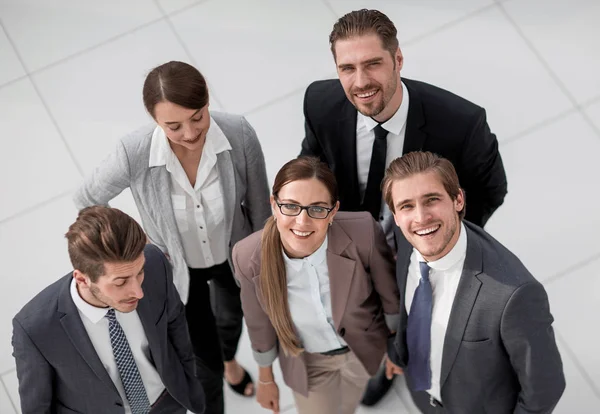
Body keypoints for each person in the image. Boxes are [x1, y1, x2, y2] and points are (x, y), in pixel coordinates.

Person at [300, 8, 508, 404]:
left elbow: (491, 188)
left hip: (420, 249)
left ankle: (406, 362)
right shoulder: (319, 102)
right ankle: (376, 360)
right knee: (357, 312)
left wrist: (441, 241)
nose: (360, 82)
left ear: (397, 60)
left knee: (416, 323)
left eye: (373, 64)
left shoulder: (461, 122)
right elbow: (313, 163)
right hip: (351, 241)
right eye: (347, 68)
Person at [74, 61, 271, 413]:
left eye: (198, 117)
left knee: (231, 319)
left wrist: (264, 262)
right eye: (173, 126)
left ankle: (231, 362)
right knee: (201, 356)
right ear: (154, 120)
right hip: (178, 269)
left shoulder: (238, 133)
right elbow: (88, 199)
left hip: (233, 253)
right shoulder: (133, 152)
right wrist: (134, 242)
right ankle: (218, 374)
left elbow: (258, 204)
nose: (191, 133)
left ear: (208, 102)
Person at [381, 151, 565, 413]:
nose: (421, 218)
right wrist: (398, 353)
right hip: (424, 394)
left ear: (458, 199)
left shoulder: (515, 295)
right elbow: (409, 311)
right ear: (396, 216)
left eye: (431, 200)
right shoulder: (407, 241)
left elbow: (546, 387)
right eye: (407, 206)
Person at [232, 157, 401, 414]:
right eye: (290, 206)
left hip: (362, 350)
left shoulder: (363, 231)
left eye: (317, 209)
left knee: (347, 406)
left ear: (333, 212)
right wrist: (266, 377)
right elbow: (259, 323)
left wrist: (394, 346)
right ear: (274, 205)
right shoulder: (248, 257)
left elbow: (389, 295)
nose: (302, 222)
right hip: (309, 363)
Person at [12, 206, 205, 413]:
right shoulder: (35, 330)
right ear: (82, 279)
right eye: (121, 282)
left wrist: (187, 372)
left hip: (167, 401)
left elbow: (175, 321)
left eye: (139, 273)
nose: (138, 292)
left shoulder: (155, 263)